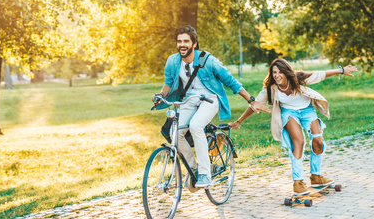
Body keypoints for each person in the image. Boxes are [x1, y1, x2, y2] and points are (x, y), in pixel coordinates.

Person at [152, 25, 270, 188]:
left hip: (209, 99)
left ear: (194, 43)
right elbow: (168, 83)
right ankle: (193, 168)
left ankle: (205, 175)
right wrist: (160, 95)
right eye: (179, 41)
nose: (182, 44)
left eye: (186, 41)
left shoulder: (208, 60)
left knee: (195, 126)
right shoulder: (173, 61)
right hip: (188, 100)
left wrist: (250, 99)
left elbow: (230, 81)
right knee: (176, 134)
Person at [228, 58, 357, 196]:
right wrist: (239, 121)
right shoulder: (271, 88)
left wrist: (342, 70)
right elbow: (255, 105)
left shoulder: (298, 78)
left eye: (280, 72)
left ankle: (316, 176)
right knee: (299, 142)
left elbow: (320, 74)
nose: (277, 75)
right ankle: (298, 182)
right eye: (274, 72)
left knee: (318, 141)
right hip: (289, 113)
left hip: (307, 110)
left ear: (286, 72)